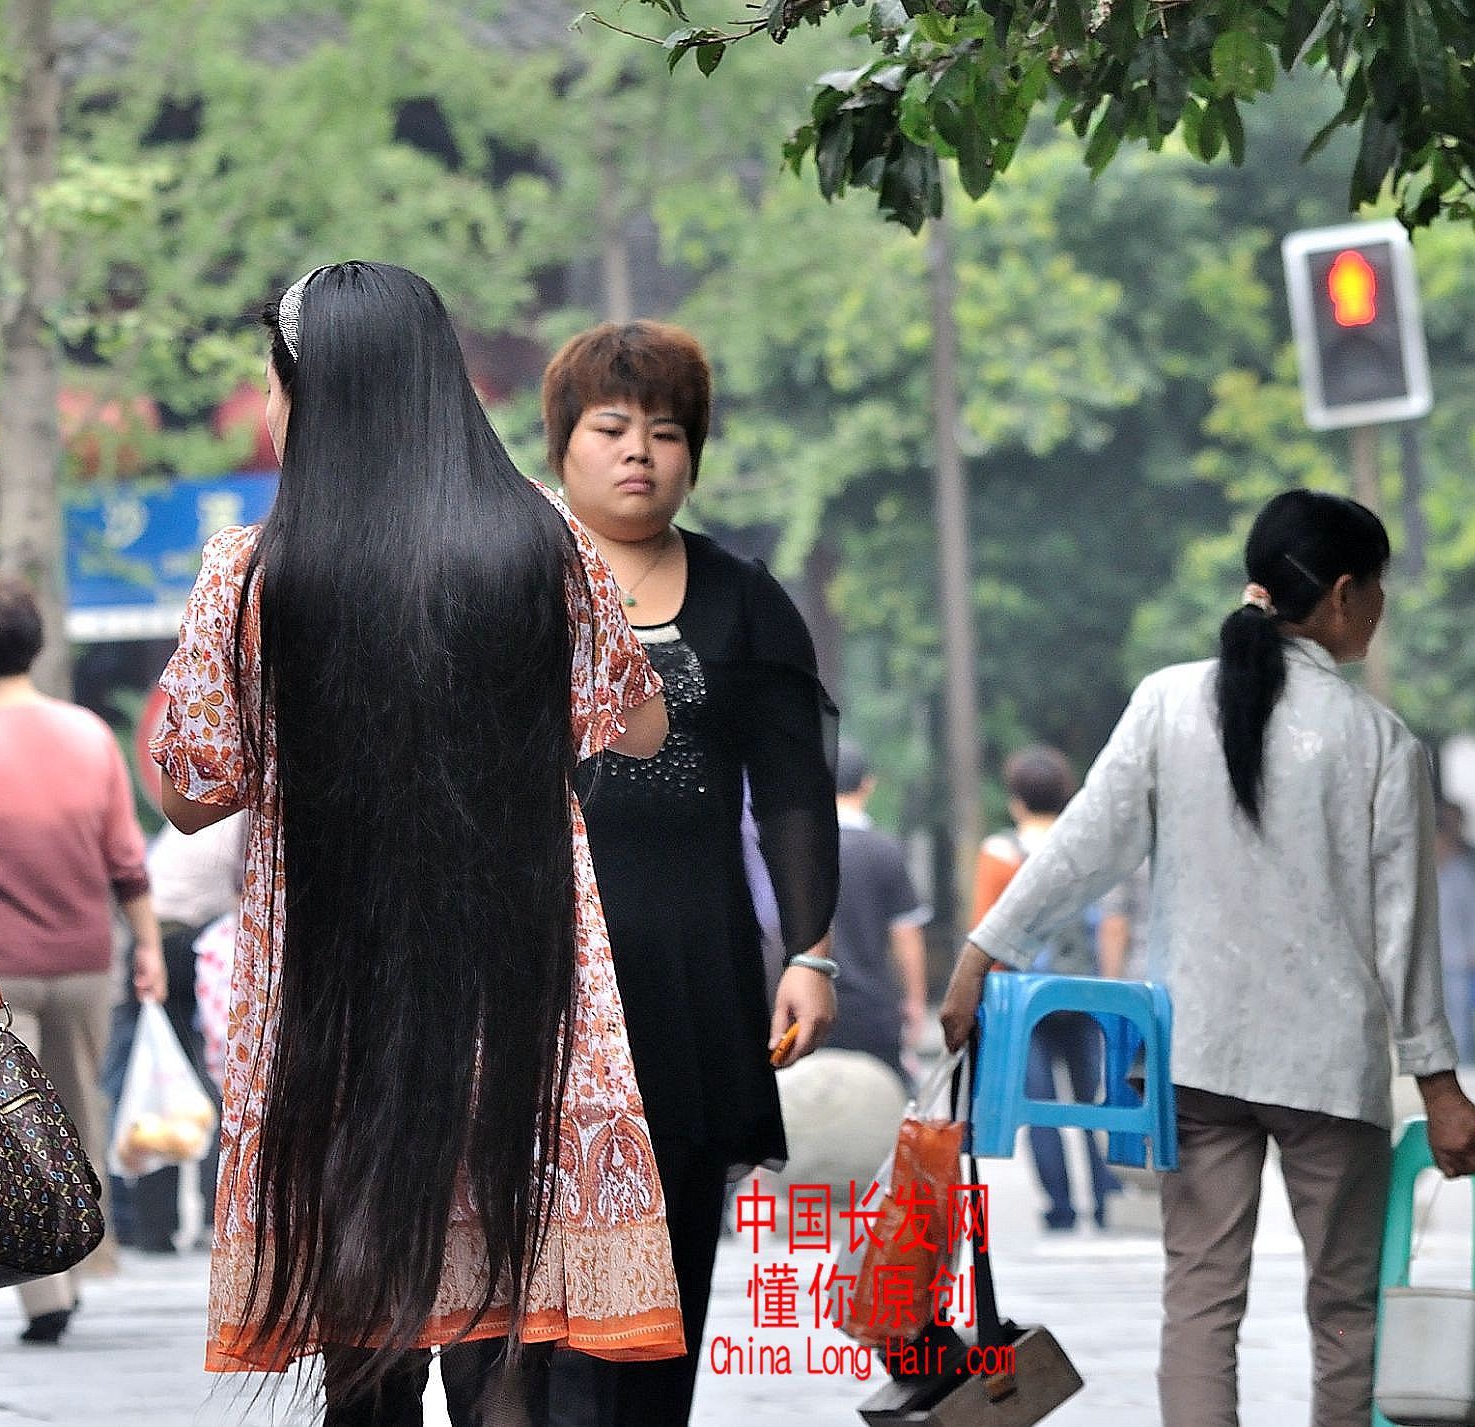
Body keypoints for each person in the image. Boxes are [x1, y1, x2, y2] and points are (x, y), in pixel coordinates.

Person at [147, 262, 688, 1425]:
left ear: (312, 395)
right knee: (506, 1358)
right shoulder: (538, 541)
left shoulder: (249, 574)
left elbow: (192, 790)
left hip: (336, 1011)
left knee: (364, 1349)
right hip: (522, 991)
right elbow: (637, 723)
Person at [939, 489, 1475, 1427]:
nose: (1379, 607)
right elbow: (1405, 936)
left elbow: (1080, 847)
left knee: (1198, 1301)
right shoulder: (1381, 744)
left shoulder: (1165, 703)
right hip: (1326, 1072)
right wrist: (1438, 1084)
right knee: (1344, 1310)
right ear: (1345, 595)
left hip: (1193, 1059)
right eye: (1378, 587)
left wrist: (986, 949)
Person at [535, 319, 841, 1427]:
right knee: (551, 1287)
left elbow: (796, 790)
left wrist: (809, 948)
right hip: (543, 978)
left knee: (671, 1269)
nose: (638, 454)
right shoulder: (511, 576)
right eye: (610, 428)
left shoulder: (739, 595)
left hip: (692, 973)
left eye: (665, 432)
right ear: (562, 442)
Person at [0, 575, 166, 1344]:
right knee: (77, 1117)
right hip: (85, 959)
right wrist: (149, 947)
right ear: (35, 643)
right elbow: (126, 859)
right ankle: (78, 1255)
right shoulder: (89, 735)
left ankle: (47, 1291)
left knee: (10, 1128)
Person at [970, 745, 1122, 1231]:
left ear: (1016, 799)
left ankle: (1058, 1206)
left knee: (1038, 1104)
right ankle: (1103, 1199)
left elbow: (984, 930)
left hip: (1023, 999)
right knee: (1091, 1100)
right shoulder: (1087, 848)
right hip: (1083, 993)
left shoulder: (999, 854)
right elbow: (1109, 921)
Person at [123, 811, 247, 1252]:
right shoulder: (245, 815)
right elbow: (243, 889)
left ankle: (154, 1226)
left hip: (153, 937)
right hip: (182, 946)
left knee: (160, 1078)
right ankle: (219, 1212)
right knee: (217, 1079)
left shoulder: (206, 803)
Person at [822, 740, 930, 1085]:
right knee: (881, 1108)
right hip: (873, 1009)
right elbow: (907, 935)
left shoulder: (799, 850)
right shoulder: (886, 851)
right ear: (867, 784)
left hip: (809, 1005)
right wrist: (915, 1001)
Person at [1437, 802, 1475, 1061]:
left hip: (1460, 962)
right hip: (1438, 963)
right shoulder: (1433, 875)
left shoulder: (1461, 873)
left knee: (1460, 1025)